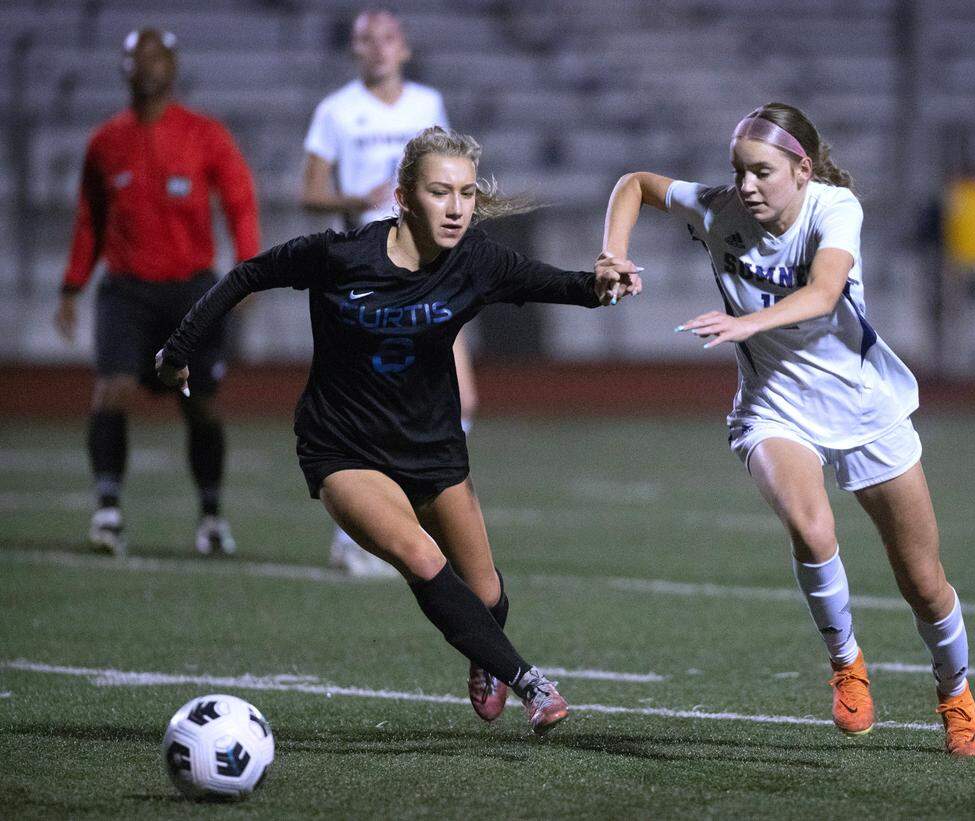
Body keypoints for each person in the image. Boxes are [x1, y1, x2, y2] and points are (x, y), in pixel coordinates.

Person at [156, 126, 641, 734]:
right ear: (404, 197)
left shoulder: (477, 262)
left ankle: (484, 654)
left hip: (432, 448)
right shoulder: (340, 256)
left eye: (466, 192)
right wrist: (179, 349)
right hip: (343, 447)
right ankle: (532, 685)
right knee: (419, 554)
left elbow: (564, 286)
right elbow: (247, 274)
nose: (458, 207)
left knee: (488, 598)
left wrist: (603, 284)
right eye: (441, 192)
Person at [597, 103, 975, 757]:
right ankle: (847, 662)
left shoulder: (834, 209)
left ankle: (955, 692)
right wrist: (612, 252)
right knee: (811, 528)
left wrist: (747, 324)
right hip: (773, 406)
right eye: (738, 171)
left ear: (802, 170)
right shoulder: (718, 207)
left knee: (923, 579)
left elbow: (826, 290)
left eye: (761, 172)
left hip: (866, 408)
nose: (745, 185)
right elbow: (635, 184)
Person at [54, 28, 260, 557]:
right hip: (126, 291)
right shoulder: (104, 143)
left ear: (173, 67)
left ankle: (211, 517)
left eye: (157, 57)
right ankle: (108, 510)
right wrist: (72, 287)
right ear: (122, 68)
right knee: (111, 391)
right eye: (136, 57)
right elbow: (89, 221)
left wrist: (248, 267)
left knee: (202, 406)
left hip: (192, 293)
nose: (147, 66)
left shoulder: (205, 135)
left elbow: (239, 201)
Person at [301, 8, 477, 576]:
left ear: (403, 48)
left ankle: (411, 524)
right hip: (368, 272)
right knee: (368, 406)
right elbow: (310, 194)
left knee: (459, 398)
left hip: (428, 266)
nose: (378, 49)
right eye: (366, 40)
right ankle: (357, 536)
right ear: (355, 50)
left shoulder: (426, 105)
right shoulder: (336, 111)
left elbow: (450, 169)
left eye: (388, 38)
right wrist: (356, 195)